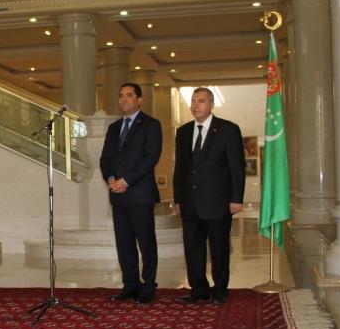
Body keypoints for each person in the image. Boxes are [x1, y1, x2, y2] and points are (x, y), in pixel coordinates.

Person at [173, 87, 245, 305]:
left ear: (211, 104)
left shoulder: (228, 129)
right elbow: (180, 169)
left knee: (219, 248)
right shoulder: (183, 132)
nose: (195, 105)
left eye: (201, 101)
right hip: (190, 202)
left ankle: (220, 290)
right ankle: (199, 290)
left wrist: (236, 198)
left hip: (218, 202)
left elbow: (236, 167)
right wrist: (178, 199)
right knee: (193, 249)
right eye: (193, 101)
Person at [99, 82, 163, 304]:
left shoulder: (151, 125)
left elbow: (150, 158)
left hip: (140, 194)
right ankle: (130, 284)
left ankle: (149, 286)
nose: (123, 99)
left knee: (146, 243)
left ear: (139, 100)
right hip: (117, 195)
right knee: (124, 243)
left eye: (129, 95)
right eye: (121, 95)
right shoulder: (114, 128)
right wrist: (110, 179)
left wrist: (126, 181)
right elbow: (105, 159)